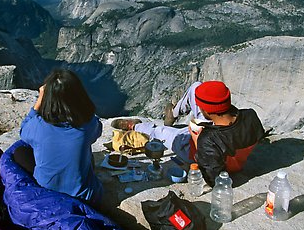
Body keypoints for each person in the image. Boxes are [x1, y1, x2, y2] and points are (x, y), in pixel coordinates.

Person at [112, 80, 270, 187]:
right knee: (196, 87)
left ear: (207, 111)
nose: (199, 109)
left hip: (195, 148)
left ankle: (135, 127)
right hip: (217, 128)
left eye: (201, 108)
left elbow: (212, 178)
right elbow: (257, 135)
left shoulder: (208, 140)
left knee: (159, 131)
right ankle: (173, 114)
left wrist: (196, 138)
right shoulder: (250, 114)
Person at [14, 68, 104, 207]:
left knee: (20, 152)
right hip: (85, 197)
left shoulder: (37, 125)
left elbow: (23, 131)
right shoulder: (88, 125)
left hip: (48, 193)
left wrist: (40, 99)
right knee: (87, 154)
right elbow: (97, 130)